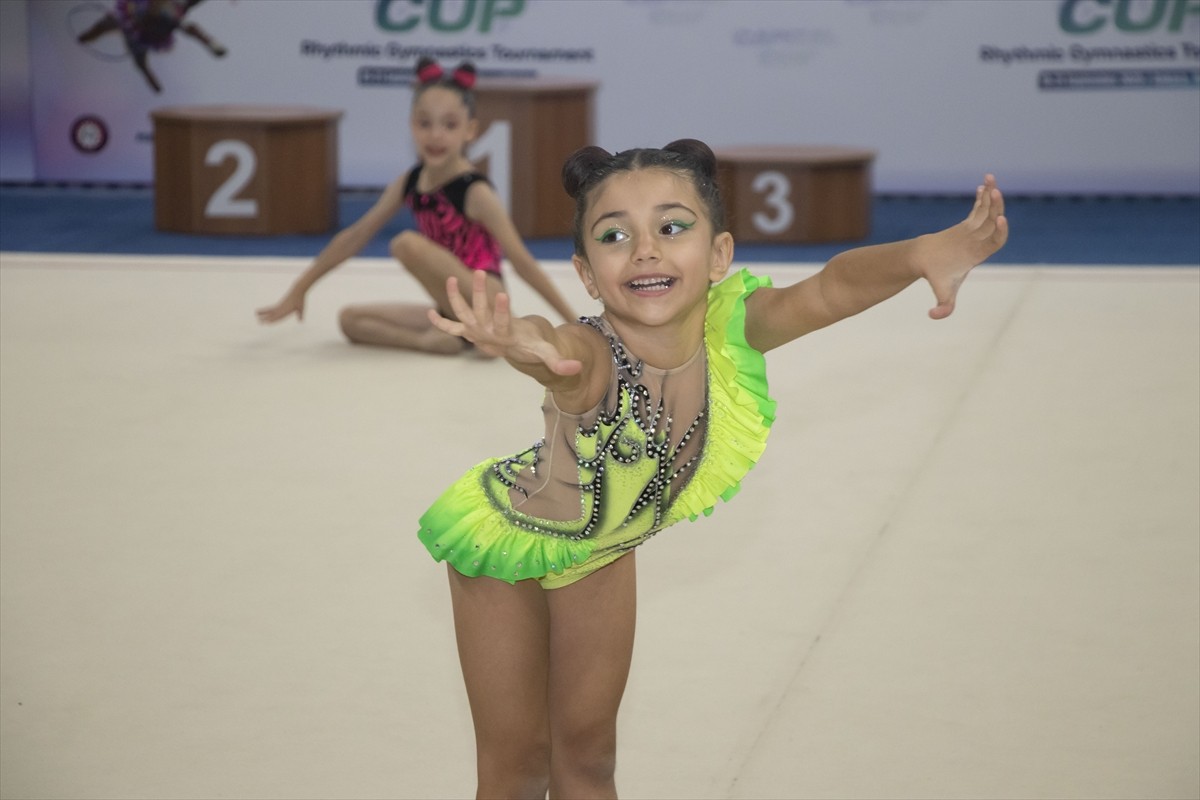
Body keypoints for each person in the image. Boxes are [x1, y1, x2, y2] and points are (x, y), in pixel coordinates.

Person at [417, 138, 1008, 798]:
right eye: (615, 236)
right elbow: (554, 350)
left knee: (588, 757)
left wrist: (921, 252)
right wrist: (517, 342)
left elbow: (833, 287)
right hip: (504, 538)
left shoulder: (733, 324)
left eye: (672, 228)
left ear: (719, 253)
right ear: (587, 275)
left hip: (601, 547)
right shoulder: (592, 350)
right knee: (518, 763)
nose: (646, 250)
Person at [256, 57, 576, 354]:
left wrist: (573, 322)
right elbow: (355, 236)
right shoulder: (410, 181)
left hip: (485, 298)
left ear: (470, 130)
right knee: (350, 320)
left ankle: (492, 329)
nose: (436, 135)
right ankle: (440, 340)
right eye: (425, 123)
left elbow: (522, 262)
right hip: (448, 306)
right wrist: (301, 288)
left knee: (406, 243)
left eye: (449, 125)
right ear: (412, 125)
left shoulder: (474, 191)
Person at [76, 0, 227, 93]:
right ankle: (146, 73)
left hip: (157, 26)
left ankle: (211, 43)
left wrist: (210, 44)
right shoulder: (130, 18)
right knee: (139, 58)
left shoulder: (172, 12)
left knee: (183, 20)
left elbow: (188, 26)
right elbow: (106, 24)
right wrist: (86, 37)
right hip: (141, 30)